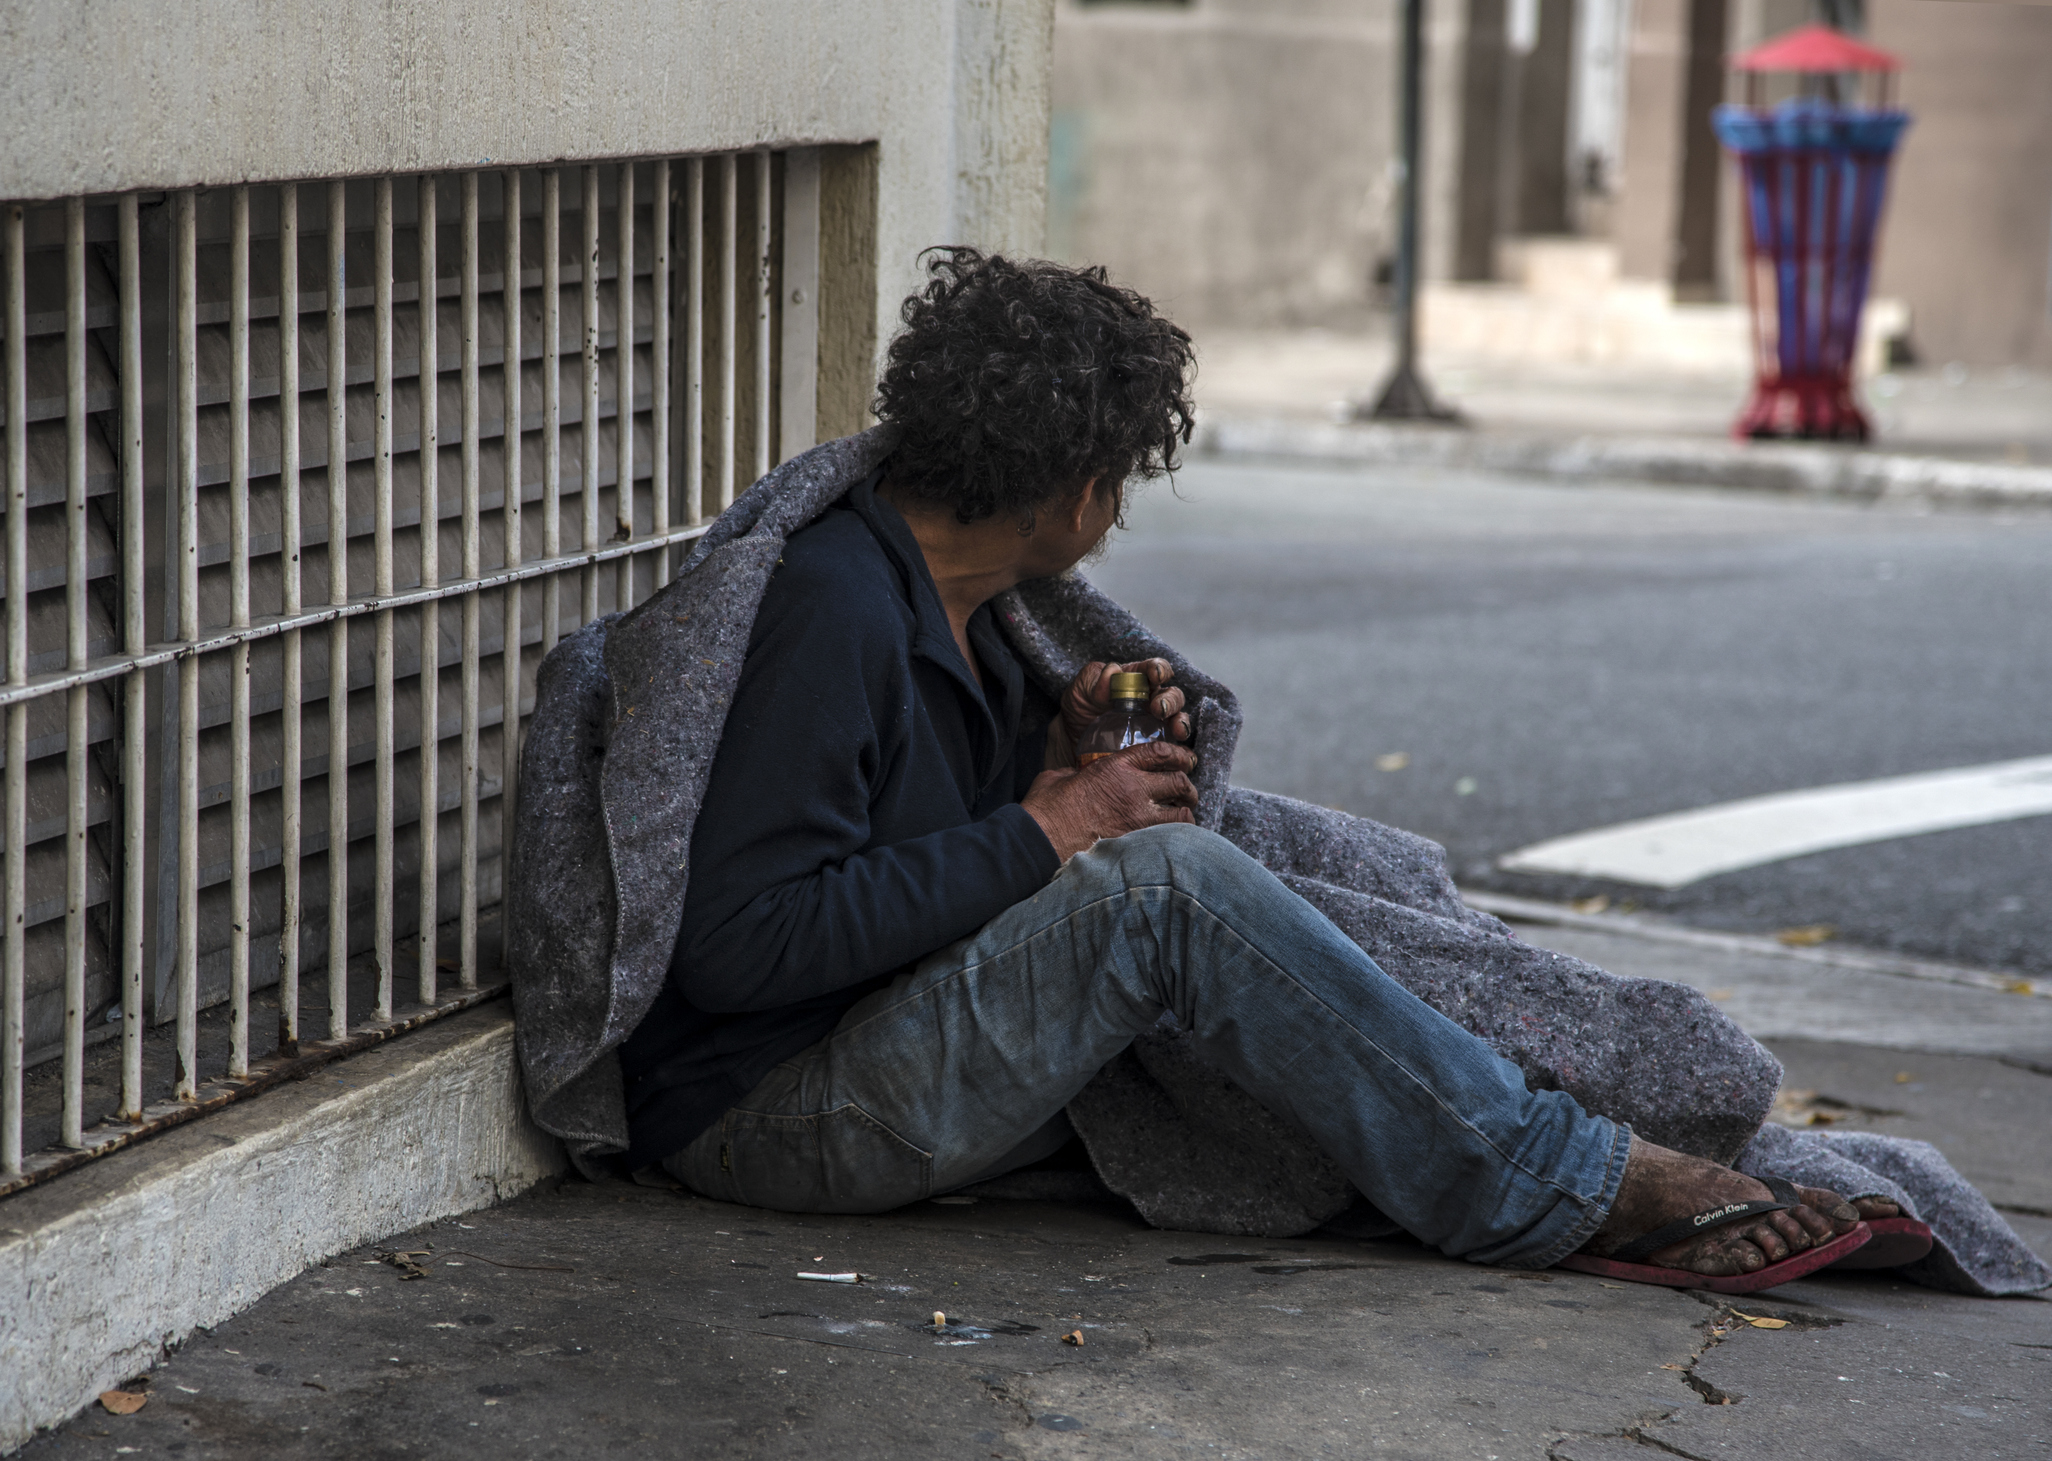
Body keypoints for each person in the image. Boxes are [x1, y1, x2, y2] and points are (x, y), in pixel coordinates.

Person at [614, 249, 1895, 1285]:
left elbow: (905, 846)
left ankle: (1553, 1103)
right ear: (1075, 490)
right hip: (775, 1118)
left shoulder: (973, 607)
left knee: (1290, 868)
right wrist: (1050, 833)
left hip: (878, 1046)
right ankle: (1560, 1181)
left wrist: (1049, 767)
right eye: (1119, 488)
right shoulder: (836, 608)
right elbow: (741, 946)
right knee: (1166, 885)